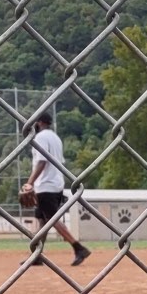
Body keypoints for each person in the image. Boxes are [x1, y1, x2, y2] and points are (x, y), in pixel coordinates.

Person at [22, 112, 90, 268]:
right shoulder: (55, 137)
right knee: (42, 221)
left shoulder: (40, 138)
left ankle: (78, 248)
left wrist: (30, 182)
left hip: (45, 185)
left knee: (52, 219)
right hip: (56, 184)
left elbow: (42, 162)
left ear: (38, 122)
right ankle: (37, 255)